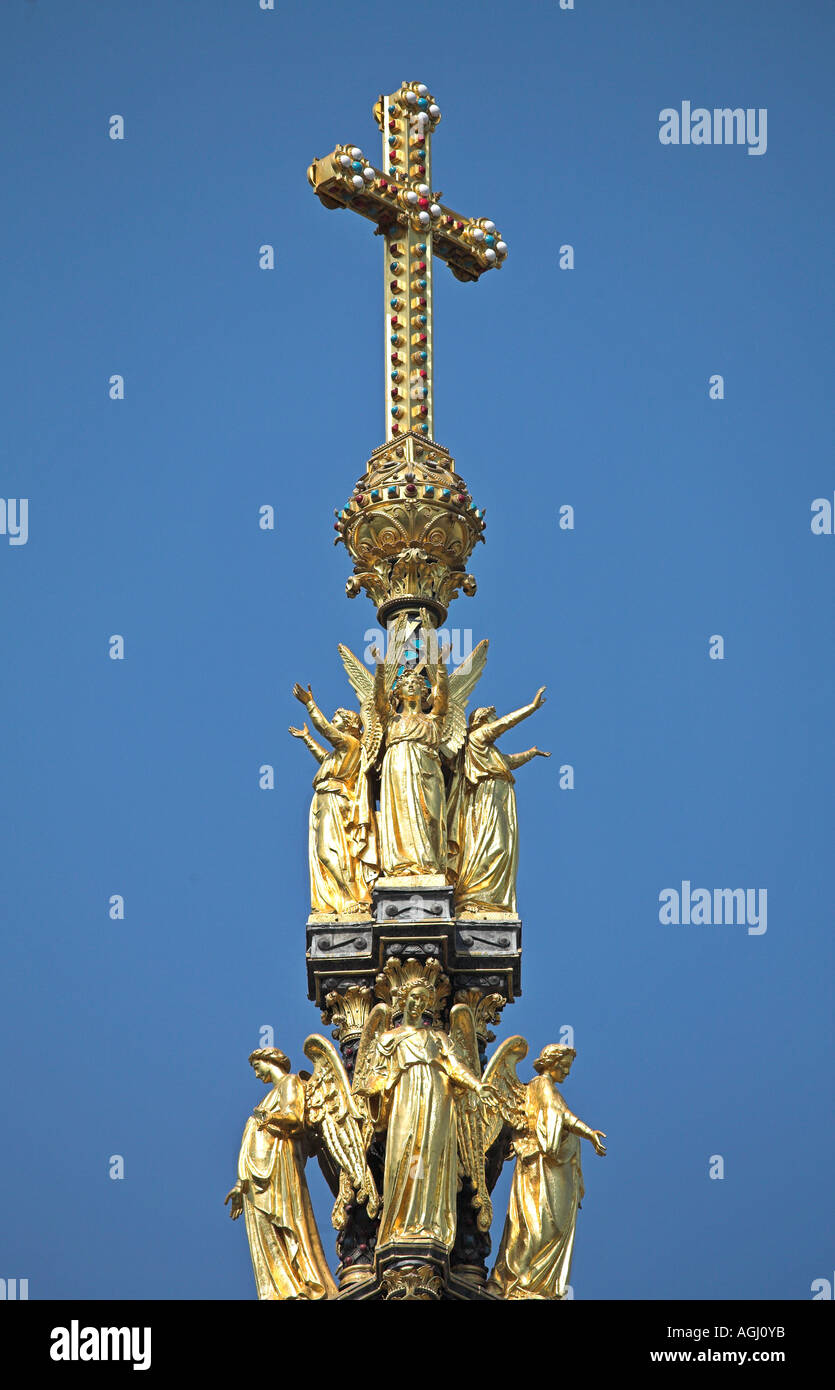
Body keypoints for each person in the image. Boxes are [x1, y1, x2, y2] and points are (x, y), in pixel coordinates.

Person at [225, 1047, 336, 1300]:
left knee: (289, 1223)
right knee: (265, 1232)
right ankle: (282, 1289)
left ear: (270, 1061)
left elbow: (295, 1117)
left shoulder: (290, 1083)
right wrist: (241, 1184)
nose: (256, 1075)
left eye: (257, 1067)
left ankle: (304, 1282)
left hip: (280, 1166)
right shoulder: (267, 1098)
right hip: (256, 1177)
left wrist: (269, 1117)